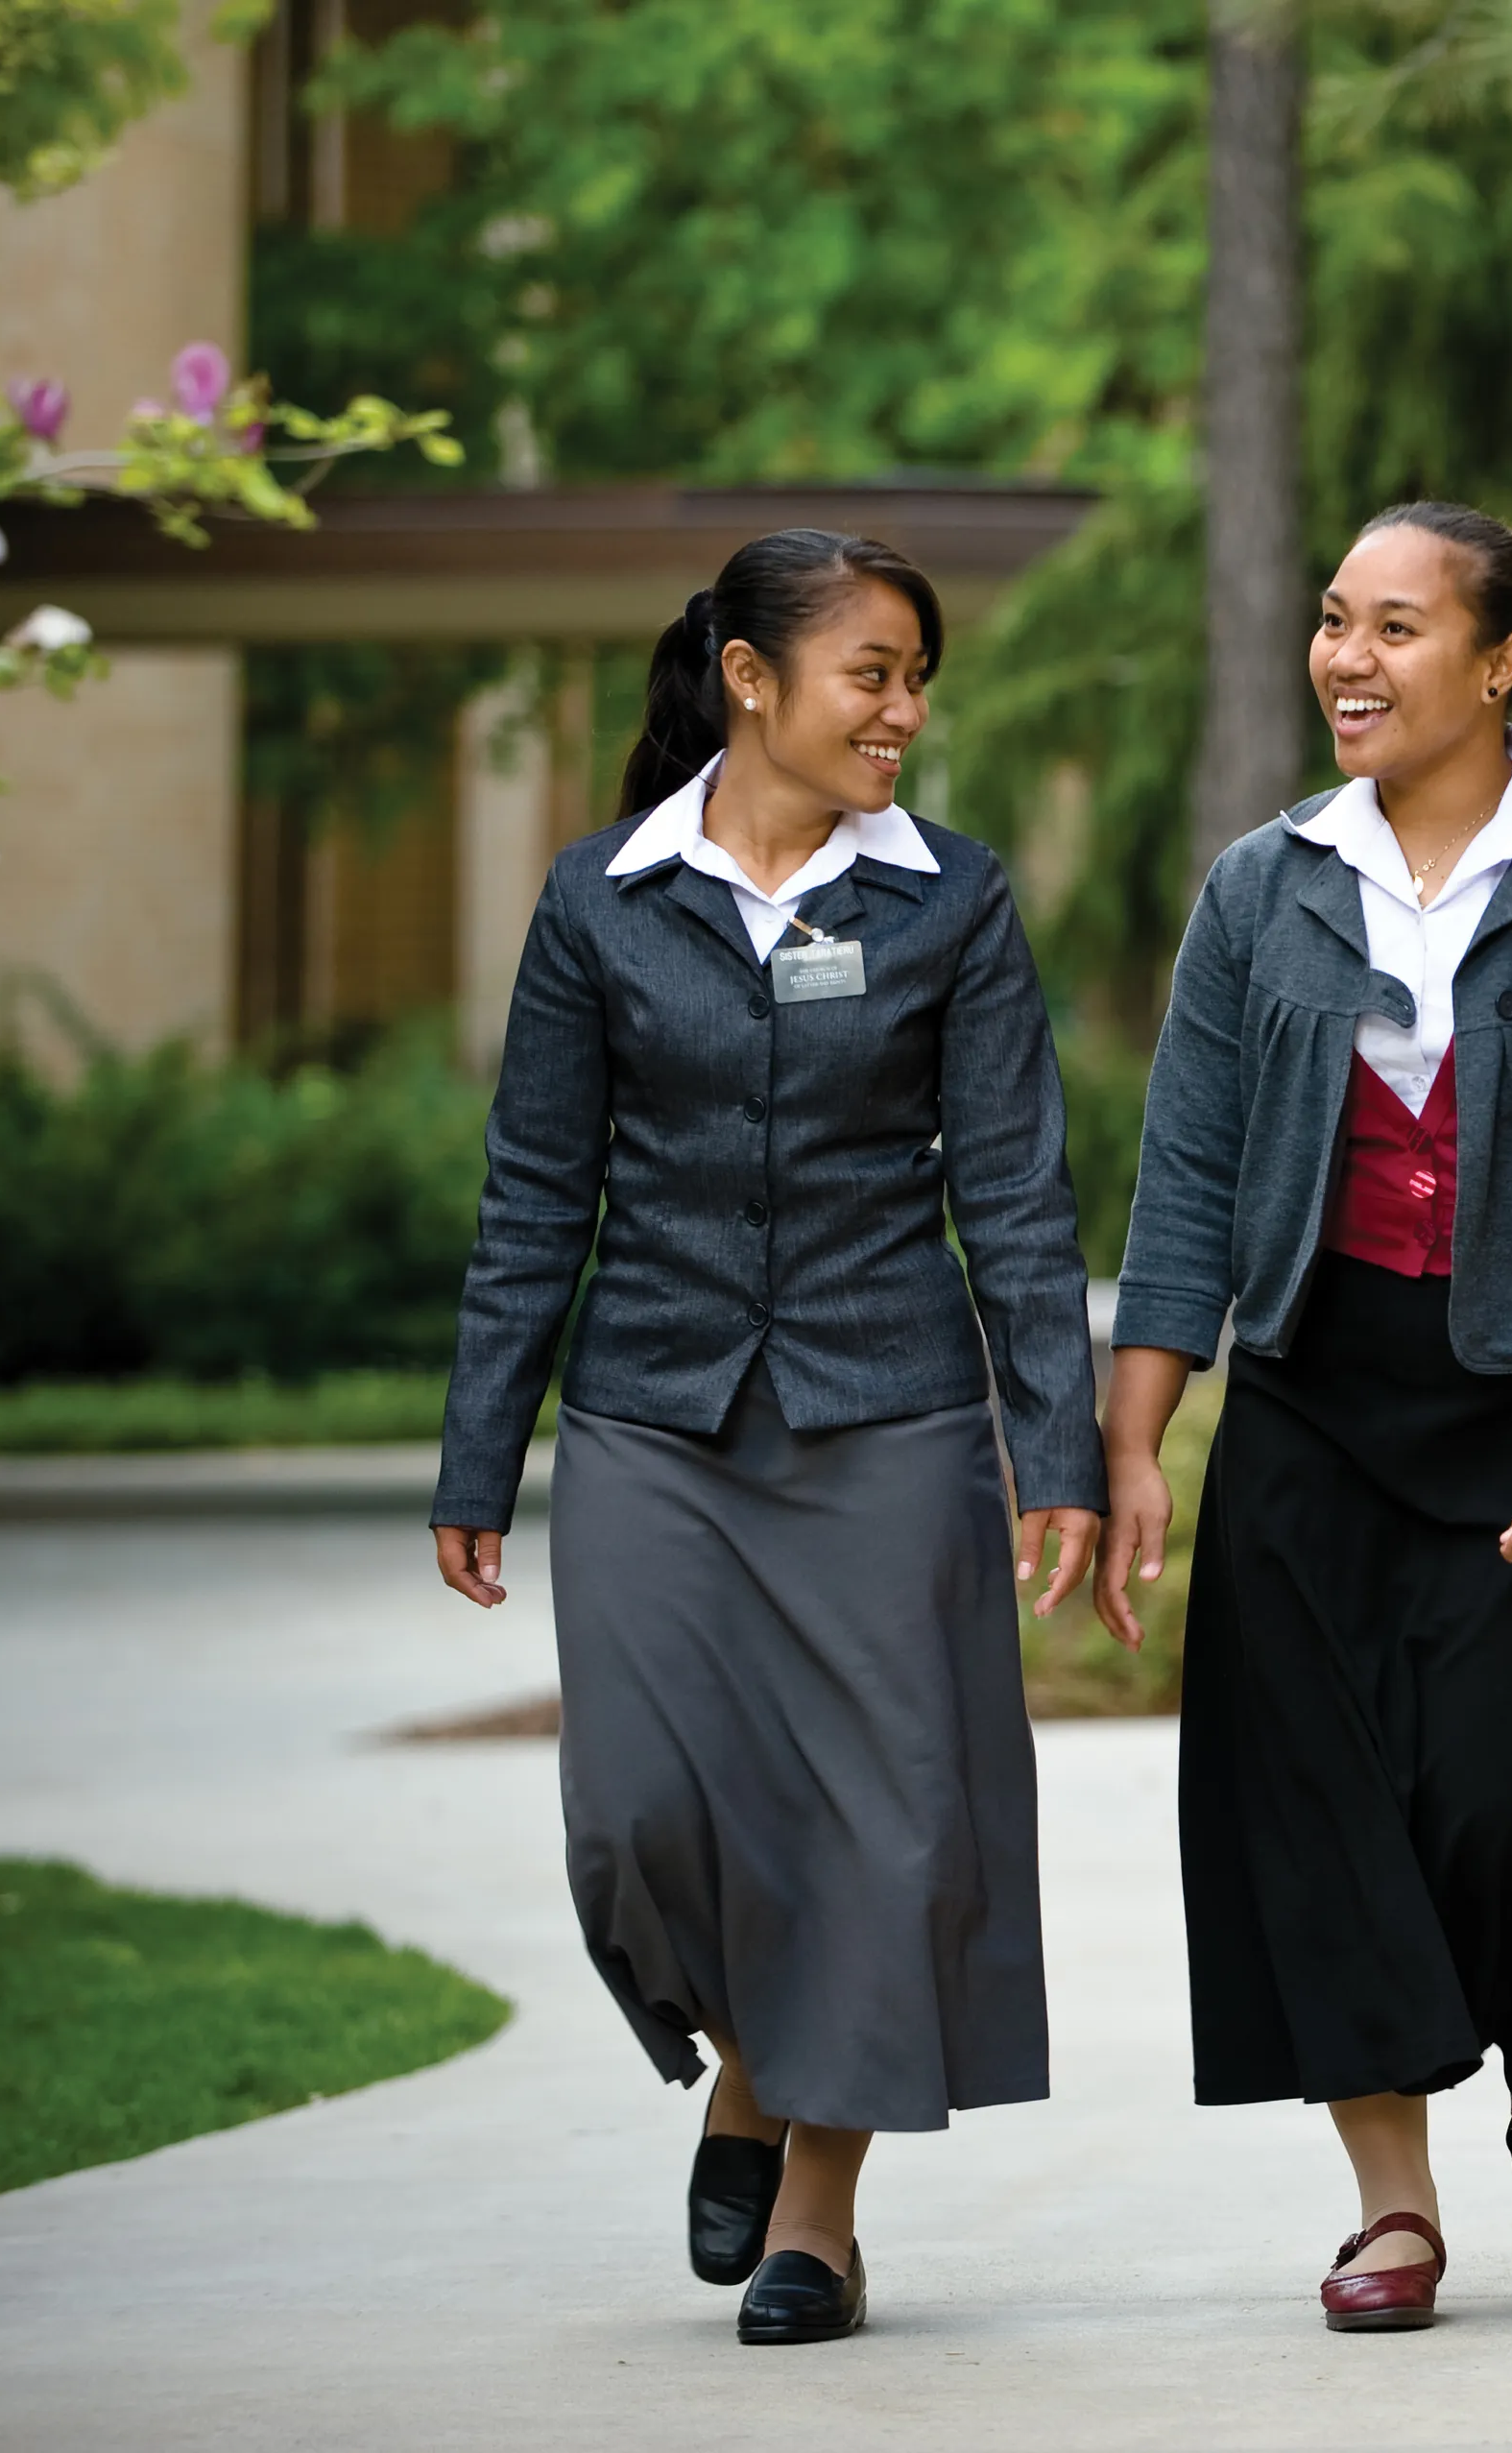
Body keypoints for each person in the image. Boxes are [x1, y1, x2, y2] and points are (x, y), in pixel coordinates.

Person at [428, 528, 1107, 2346]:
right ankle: (747, 2067)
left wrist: (1059, 1447)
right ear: (750, 677)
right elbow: (533, 1192)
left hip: (887, 1413)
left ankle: (818, 2207)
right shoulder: (599, 900)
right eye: (871, 673)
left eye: (914, 679)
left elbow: (1020, 1200)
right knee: (641, 1811)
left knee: (886, 1828)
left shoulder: (948, 901)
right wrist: (478, 1449)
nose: (903, 710)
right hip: (655, 1412)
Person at [1098, 501, 1512, 2331]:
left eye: (1393, 627)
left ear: (1501, 658)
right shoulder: (1262, 885)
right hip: (1316, 1397)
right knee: (1310, 1807)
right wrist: (1136, 1438)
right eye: (1330, 621)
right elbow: (1188, 1184)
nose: (1347, 660)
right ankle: (1392, 2204)